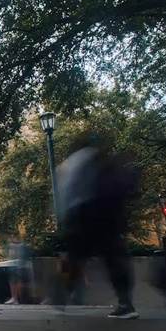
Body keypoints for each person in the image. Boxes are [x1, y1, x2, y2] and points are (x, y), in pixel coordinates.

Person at [57, 134, 139, 319]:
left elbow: (67, 192)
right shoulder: (102, 158)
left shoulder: (73, 162)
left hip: (84, 214)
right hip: (109, 213)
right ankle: (126, 303)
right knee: (114, 257)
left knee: (76, 255)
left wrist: (66, 219)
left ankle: (64, 291)